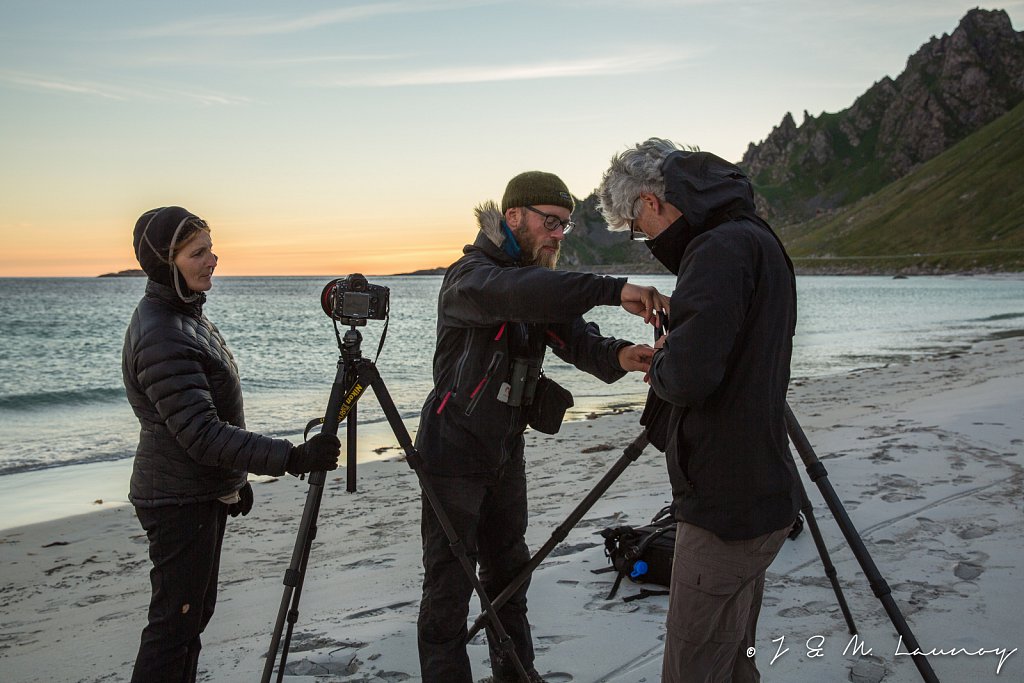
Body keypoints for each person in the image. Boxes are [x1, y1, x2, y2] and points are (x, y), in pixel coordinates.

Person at [414, 172, 670, 683]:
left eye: (565, 226)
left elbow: (573, 335)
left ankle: (516, 675)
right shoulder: (472, 276)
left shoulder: (533, 278)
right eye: (550, 223)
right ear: (514, 218)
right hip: (452, 453)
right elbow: (525, 294)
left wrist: (623, 354)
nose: (558, 235)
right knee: (449, 588)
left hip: (506, 451)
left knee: (510, 577)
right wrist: (614, 288)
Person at [597, 139, 802, 682]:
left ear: (650, 202)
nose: (646, 242)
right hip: (759, 490)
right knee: (735, 659)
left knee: (693, 665)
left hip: (724, 507)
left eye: (638, 229)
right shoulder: (754, 237)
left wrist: (661, 358)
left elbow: (687, 379)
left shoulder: (716, 250)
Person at [122, 206, 342, 682]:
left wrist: (233, 481)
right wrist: (293, 457)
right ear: (167, 262)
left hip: (194, 491)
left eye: (211, 248)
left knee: (190, 619)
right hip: (176, 499)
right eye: (198, 252)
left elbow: (204, 420)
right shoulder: (162, 332)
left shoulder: (182, 316)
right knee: (173, 626)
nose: (213, 259)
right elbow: (201, 433)